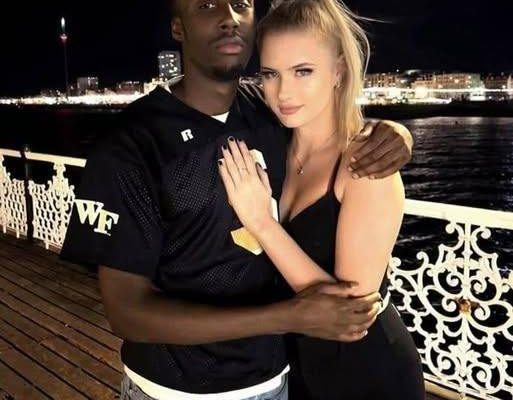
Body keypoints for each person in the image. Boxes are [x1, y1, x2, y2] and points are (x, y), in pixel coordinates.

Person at [60, 1, 415, 399]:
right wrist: (286, 317)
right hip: (178, 389)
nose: (228, 18)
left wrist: (396, 135)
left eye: (241, 4)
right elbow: (125, 312)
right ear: (178, 27)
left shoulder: (267, 118)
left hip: (296, 376)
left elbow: (333, 128)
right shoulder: (131, 143)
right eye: (207, 5)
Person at [217, 0, 425, 399]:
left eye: (303, 71)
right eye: (271, 74)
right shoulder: (273, 144)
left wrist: (262, 223)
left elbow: (349, 311)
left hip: (366, 371)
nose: (283, 92)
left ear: (339, 72)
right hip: (293, 364)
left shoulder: (365, 166)